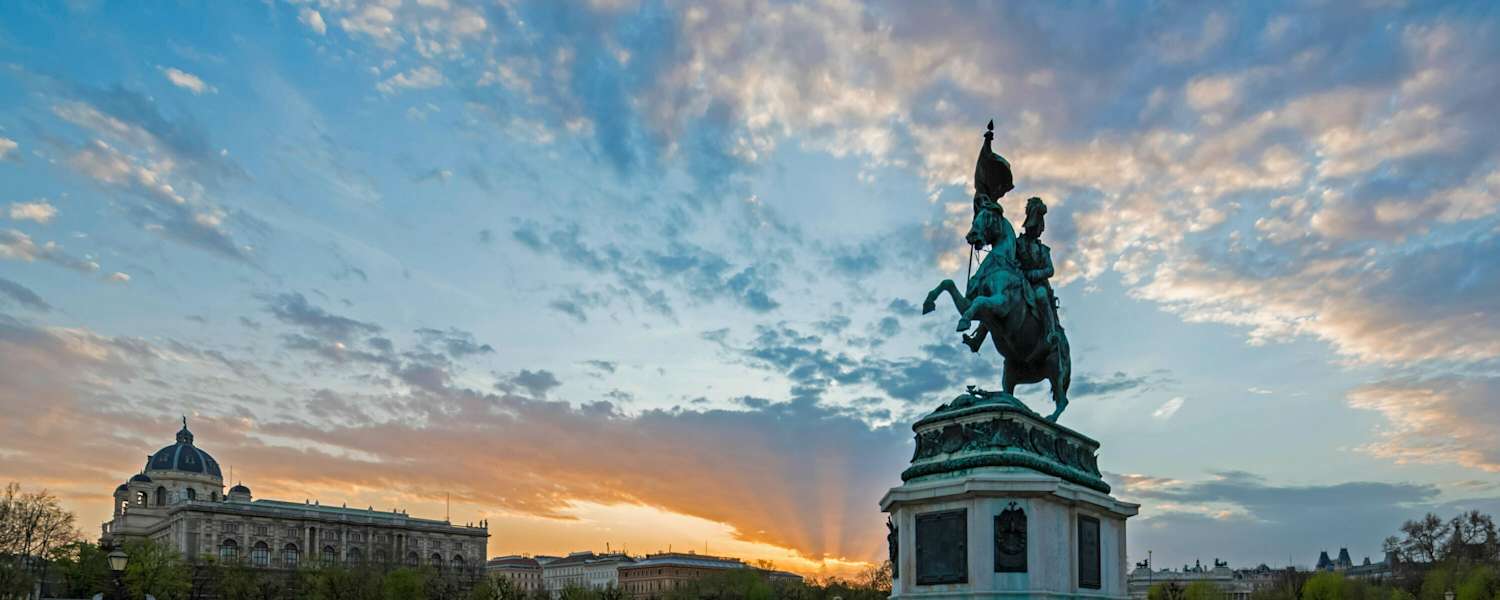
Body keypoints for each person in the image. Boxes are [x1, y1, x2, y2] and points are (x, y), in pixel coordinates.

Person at [1016, 196, 1061, 348]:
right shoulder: (1018, 243)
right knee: (1001, 297)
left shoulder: (1043, 250)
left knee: (1041, 296)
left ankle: (1050, 332)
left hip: (1037, 285)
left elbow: (1050, 270)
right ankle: (979, 337)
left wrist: (1034, 274)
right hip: (1019, 282)